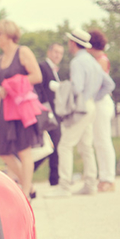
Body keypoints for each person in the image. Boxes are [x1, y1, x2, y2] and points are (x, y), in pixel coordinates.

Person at [46, 29, 115, 198]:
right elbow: (109, 85)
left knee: (65, 145)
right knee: (86, 146)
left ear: (72, 43)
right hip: (90, 106)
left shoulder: (77, 62)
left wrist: (60, 87)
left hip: (80, 109)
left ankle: (64, 187)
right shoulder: (92, 61)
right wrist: (93, 97)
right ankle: (90, 184)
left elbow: (76, 88)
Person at [0, 19, 43, 198]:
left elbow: (37, 76)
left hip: (21, 109)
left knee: (24, 150)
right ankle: (29, 185)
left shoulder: (22, 52)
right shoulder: (0, 58)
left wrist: (12, 84)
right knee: (3, 151)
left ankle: (25, 193)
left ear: (8, 35)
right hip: (6, 110)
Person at [88, 29, 116, 192]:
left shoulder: (100, 60)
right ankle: (104, 176)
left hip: (101, 102)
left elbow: (96, 84)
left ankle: (109, 178)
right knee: (99, 140)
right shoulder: (98, 59)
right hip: (100, 102)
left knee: (103, 140)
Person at [32, 43, 64, 186]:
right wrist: (44, 110)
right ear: (49, 52)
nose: (58, 55)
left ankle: (25, 171)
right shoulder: (43, 67)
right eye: (56, 52)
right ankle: (54, 180)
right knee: (53, 146)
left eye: (61, 53)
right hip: (47, 113)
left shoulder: (56, 71)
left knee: (51, 147)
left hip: (55, 113)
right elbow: (38, 90)